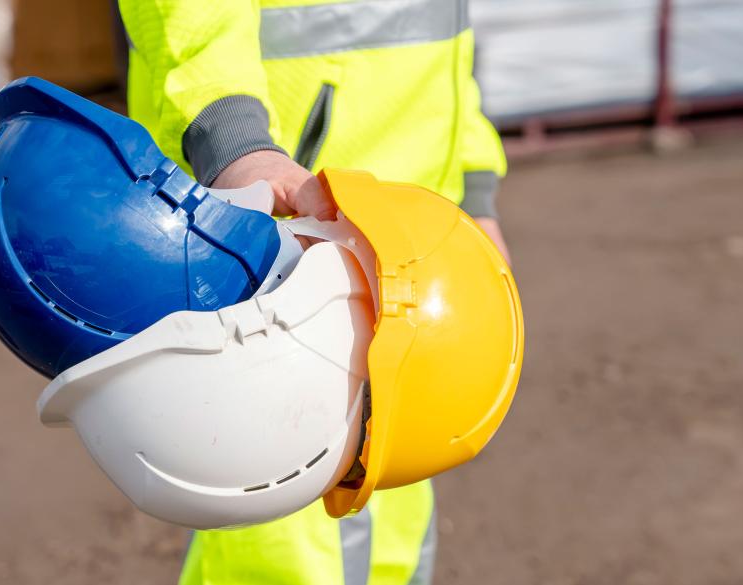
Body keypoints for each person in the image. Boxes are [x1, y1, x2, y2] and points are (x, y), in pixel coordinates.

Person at [118, 1, 511, 583]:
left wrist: (470, 189)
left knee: (394, 511)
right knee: (282, 529)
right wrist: (233, 138)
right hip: (281, 234)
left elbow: (443, 32)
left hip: (411, 244)